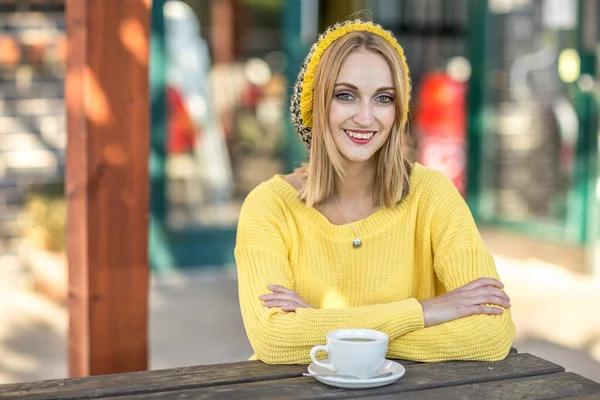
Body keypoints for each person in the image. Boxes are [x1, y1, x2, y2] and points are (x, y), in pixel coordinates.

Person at [234, 19, 515, 364]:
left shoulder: (432, 195)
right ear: (317, 105)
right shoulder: (269, 207)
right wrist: (426, 312)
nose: (366, 117)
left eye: (383, 98)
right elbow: (274, 339)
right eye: (345, 95)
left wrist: (330, 333)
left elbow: (492, 335)